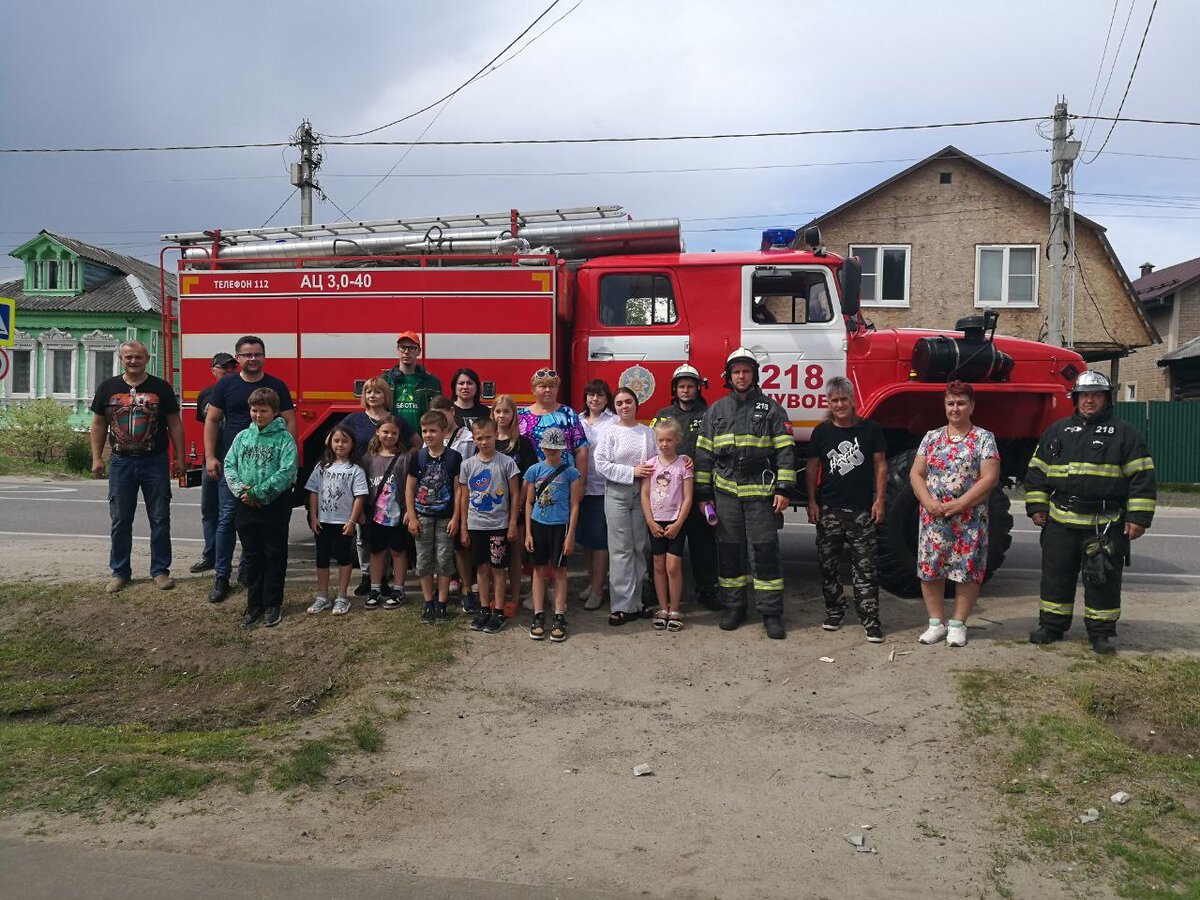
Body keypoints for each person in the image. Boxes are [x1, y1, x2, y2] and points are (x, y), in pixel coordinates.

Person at [1023, 370, 1156, 654]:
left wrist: (1138, 518)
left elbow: (1142, 478)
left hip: (1104, 524)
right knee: (1055, 575)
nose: (1090, 401)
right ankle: (1052, 626)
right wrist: (1037, 506)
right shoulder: (1057, 431)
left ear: (1106, 399)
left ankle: (1101, 633)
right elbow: (1036, 473)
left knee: (1103, 578)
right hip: (1060, 520)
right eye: (1084, 395)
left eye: (1096, 395)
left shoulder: (1125, 434)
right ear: (1076, 399)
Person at [695, 347, 795, 640]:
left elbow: (786, 451)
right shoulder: (716, 411)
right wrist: (703, 495)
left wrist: (785, 489)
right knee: (729, 553)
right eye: (736, 372)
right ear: (729, 376)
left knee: (765, 552)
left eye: (746, 371)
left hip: (761, 494)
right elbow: (703, 454)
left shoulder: (772, 409)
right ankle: (734, 608)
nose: (741, 376)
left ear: (754, 375)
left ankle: (771, 613)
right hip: (725, 493)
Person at [204, 335, 297, 604]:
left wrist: (285, 455)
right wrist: (211, 457)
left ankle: (248, 574)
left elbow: (290, 421)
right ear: (238, 358)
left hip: (268, 472)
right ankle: (222, 576)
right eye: (247, 355)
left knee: (257, 530)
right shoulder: (226, 385)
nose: (252, 359)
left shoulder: (276, 386)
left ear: (264, 356)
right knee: (226, 520)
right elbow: (212, 420)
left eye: (257, 354)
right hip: (237, 468)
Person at [89, 340, 186, 593]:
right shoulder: (108, 387)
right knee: (120, 519)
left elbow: (174, 423)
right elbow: (99, 424)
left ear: (147, 358)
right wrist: (97, 458)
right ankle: (120, 572)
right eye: (128, 357)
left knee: (160, 517)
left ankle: (161, 571)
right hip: (121, 462)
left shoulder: (160, 387)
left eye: (138, 357)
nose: (133, 361)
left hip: (154, 461)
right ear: (121, 359)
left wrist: (180, 457)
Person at [909, 381, 1000, 648]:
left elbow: (990, 477)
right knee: (931, 569)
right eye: (950, 403)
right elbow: (916, 473)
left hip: (968, 519)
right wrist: (928, 502)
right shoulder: (932, 437)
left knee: (967, 570)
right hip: (934, 518)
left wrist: (959, 505)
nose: (955, 408)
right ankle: (936, 624)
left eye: (961, 403)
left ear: (971, 406)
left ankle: (958, 625)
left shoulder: (984, 438)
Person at [805, 376, 887, 643]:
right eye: (834, 400)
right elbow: (812, 468)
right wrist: (812, 502)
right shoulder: (821, 432)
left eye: (844, 399)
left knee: (865, 569)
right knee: (827, 566)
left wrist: (879, 500)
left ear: (853, 401)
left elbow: (880, 466)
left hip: (862, 511)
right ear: (829, 402)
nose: (840, 404)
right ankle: (834, 611)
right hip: (829, 510)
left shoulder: (871, 430)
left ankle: (870, 619)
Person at [223, 387, 297, 628]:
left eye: (263, 411)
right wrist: (242, 492)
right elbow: (229, 464)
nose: (258, 415)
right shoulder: (242, 437)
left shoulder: (284, 439)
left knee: (274, 554)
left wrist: (259, 493)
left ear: (274, 412)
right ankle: (254, 603)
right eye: (254, 410)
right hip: (245, 505)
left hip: (274, 505)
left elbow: (287, 472)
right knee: (252, 555)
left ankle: (272, 603)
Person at [650, 364, 719, 610]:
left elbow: (715, 450)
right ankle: (655, 593)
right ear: (674, 389)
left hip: (698, 493)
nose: (686, 390)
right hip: (666, 497)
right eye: (681, 386)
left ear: (697, 388)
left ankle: (707, 590)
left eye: (690, 386)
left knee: (703, 545)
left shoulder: (709, 414)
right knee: (660, 549)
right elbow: (653, 447)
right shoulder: (662, 415)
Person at [344, 376, 415, 597]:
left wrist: (404, 459)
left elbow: (417, 444)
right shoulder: (353, 419)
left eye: (377, 392)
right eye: (368, 392)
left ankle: (387, 580)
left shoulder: (396, 420)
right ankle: (369, 578)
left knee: (392, 543)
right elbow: (335, 439)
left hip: (392, 492)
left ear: (386, 395)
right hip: (364, 486)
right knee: (365, 538)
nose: (372, 396)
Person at [595, 387, 657, 626]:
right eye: (619, 403)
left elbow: (656, 460)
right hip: (617, 493)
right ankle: (621, 605)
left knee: (638, 547)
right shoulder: (610, 433)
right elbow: (600, 463)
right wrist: (631, 472)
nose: (624, 407)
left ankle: (638, 601)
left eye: (628, 402)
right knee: (620, 549)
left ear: (636, 404)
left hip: (642, 493)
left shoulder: (647, 433)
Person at [459, 417, 520, 635]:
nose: (484, 442)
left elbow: (515, 494)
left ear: (496, 435)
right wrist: (464, 528)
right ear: (473, 439)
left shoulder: (507, 463)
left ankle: (499, 610)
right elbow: (464, 498)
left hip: (499, 525)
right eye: (479, 438)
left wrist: (512, 523)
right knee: (482, 568)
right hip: (476, 526)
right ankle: (484, 608)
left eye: (488, 437)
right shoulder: (467, 465)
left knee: (498, 569)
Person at [524, 427, 581, 643]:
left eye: (556, 449)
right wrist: (528, 533)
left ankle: (559, 614)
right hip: (539, 525)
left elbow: (575, 505)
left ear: (562, 449)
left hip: (560, 526)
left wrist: (570, 535)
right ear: (542, 447)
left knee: (559, 571)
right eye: (548, 448)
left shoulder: (571, 473)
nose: (552, 452)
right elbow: (528, 503)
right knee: (538, 571)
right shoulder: (534, 471)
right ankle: (538, 614)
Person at [305, 425, 369, 617]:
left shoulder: (355, 470)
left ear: (352, 444)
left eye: (345, 441)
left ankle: (342, 596)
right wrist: (314, 516)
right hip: (322, 521)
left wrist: (352, 521)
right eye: (337, 440)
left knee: (343, 558)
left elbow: (359, 497)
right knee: (322, 558)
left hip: (343, 522)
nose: (340, 444)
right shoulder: (321, 467)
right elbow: (313, 492)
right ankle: (322, 596)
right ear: (330, 443)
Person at [406, 410, 463, 624]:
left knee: (444, 559)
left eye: (433, 431)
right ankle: (428, 602)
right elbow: (410, 488)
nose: (428, 435)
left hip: (446, 517)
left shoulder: (453, 457)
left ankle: (442, 603)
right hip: (423, 517)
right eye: (424, 431)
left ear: (444, 432)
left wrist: (457, 517)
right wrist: (411, 516)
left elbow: (458, 489)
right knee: (424, 560)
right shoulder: (417, 457)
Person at [641, 418, 694, 631]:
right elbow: (644, 495)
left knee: (673, 566)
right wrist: (650, 522)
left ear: (677, 440)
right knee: (658, 566)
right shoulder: (650, 465)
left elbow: (688, 497)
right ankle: (662, 608)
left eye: (669, 440)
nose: (664, 444)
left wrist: (679, 523)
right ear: (656, 441)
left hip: (675, 521)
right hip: (655, 521)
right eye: (661, 440)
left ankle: (674, 608)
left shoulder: (684, 465)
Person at [190, 352, 239, 574]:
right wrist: (209, 457)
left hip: (235, 463)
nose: (229, 371)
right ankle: (210, 555)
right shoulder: (206, 394)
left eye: (232, 367)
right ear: (213, 370)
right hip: (211, 461)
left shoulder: (241, 392)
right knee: (210, 511)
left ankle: (243, 564)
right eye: (224, 367)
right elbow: (207, 425)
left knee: (233, 515)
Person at [493, 394, 539, 617]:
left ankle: (514, 596)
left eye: (506, 412)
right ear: (493, 414)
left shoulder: (523, 444)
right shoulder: (485, 439)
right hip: (490, 508)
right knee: (495, 552)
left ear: (514, 415)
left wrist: (520, 504)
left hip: (515, 507)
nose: (502, 416)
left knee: (514, 552)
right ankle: (497, 594)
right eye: (498, 411)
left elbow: (530, 478)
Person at [360, 417, 410, 611]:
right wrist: (361, 511)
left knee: (398, 551)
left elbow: (409, 487)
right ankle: (375, 588)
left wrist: (408, 511)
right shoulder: (368, 458)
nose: (389, 436)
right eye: (385, 432)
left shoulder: (405, 458)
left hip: (398, 514)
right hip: (375, 515)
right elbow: (362, 487)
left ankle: (398, 589)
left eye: (394, 433)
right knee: (377, 551)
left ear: (399, 436)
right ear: (377, 433)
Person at [578, 379, 617, 611]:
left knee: (601, 540)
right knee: (586, 540)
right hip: (581, 487)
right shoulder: (578, 420)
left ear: (606, 398)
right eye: (591, 395)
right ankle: (592, 582)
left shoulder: (613, 421)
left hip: (604, 488)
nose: (595, 399)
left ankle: (598, 589)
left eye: (600, 395)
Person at [383, 331, 442, 437]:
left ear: (419, 351)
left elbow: (438, 417)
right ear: (397, 350)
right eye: (403, 347)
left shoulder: (431, 382)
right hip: (392, 441)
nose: (406, 351)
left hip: (422, 441)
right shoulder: (384, 380)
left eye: (412, 348)